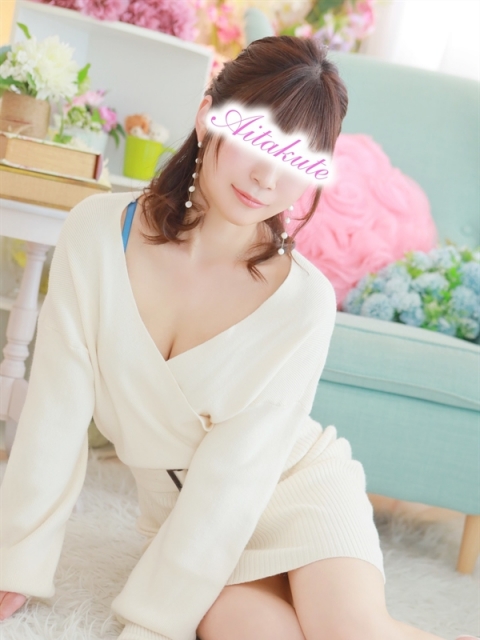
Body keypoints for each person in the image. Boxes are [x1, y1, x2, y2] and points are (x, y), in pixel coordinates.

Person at [0, 35, 454, 640]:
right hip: (190, 522)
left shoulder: (302, 302)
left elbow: (236, 477)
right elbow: (55, 412)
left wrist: (151, 624)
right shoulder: (97, 235)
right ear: (207, 114)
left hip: (297, 491)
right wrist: (16, 563)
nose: (267, 176)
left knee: (354, 631)